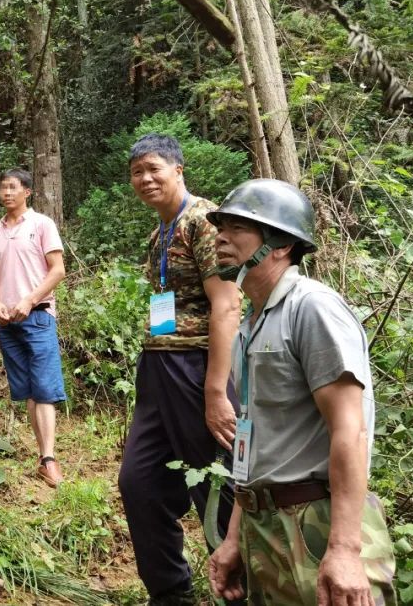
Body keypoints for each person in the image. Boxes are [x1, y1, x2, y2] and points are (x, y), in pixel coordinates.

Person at [206, 179, 396, 605]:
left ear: (280, 245)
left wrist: (346, 550)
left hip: (321, 523)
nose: (221, 236)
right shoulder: (250, 325)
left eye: (238, 227)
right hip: (266, 524)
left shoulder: (313, 308)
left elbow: (351, 431)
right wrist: (236, 534)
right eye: (221, 225)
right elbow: (254, 440)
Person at [118, 134, 244, 606]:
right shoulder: (161, 231)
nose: (145, 179)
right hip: (158, 367)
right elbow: (165, 307)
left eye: (154, 168)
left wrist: (216, 392)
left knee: (218, 481)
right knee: (139, 482)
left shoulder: (203, 222)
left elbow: (227, 305)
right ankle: (171, 595)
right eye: (137, 172)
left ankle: (240, 590)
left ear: (178, 170)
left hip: (198, 367)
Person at [0, 168, 67, 487]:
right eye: (2, 187)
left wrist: (29, 300)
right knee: (29, 389)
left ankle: (49, 459)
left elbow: (57, 270)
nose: (6, 193)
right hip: (6, 322)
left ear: (27, 192)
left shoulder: (42, 225)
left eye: (12, 188)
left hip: (38, 316)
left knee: (44, 388)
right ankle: (42, 456)